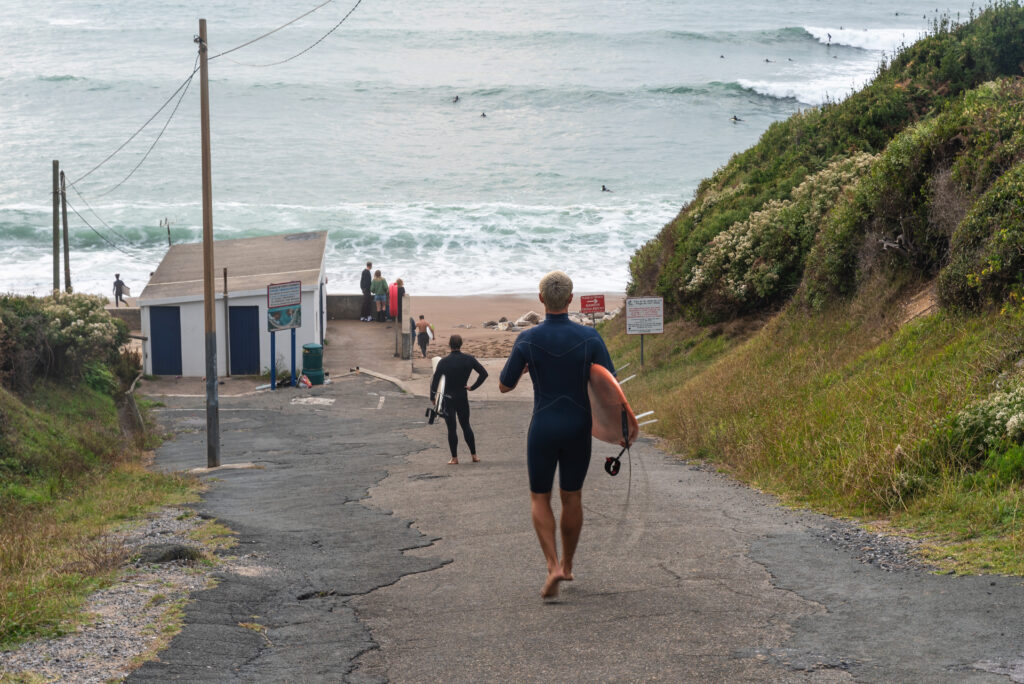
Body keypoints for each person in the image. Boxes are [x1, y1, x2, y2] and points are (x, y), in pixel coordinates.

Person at [499, 270, 615, 599]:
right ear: (570, 299)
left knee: (540, 497)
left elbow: (504, 385)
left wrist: (525, 368)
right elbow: (609, 386)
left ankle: (552, 567)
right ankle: (568, 563)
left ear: (540, 300)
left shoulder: (527, 340)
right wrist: (618, 429)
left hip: (543, 426)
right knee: (572, 497)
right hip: (579, 426)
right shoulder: (590, 338)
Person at [430, 334, 487, 465]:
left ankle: (454, 458)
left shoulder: (443, 362)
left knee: (452, 428)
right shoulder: (469, 359)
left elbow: (435, 380)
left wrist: (433, 397)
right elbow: (484, 374)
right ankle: (474, 455)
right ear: (461, 344)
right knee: (466, 426)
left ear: (449, 345)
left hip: (448, 399)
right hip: (462, 396)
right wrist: (472, 387)